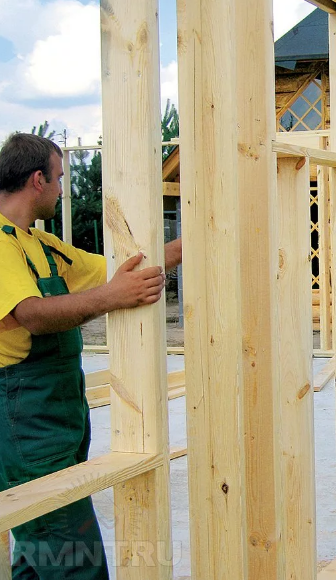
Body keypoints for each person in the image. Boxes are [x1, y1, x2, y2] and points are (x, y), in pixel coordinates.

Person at [0, 133, 182, 579]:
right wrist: (111, 298)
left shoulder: (42, 246)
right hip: (25, 422)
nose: (64, 190)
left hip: (57, 417)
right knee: (72, 558)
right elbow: (32, 315)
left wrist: (207, 232)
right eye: (60, 179)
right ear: (37, 179)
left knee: (37, 555)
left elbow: (129, 269)